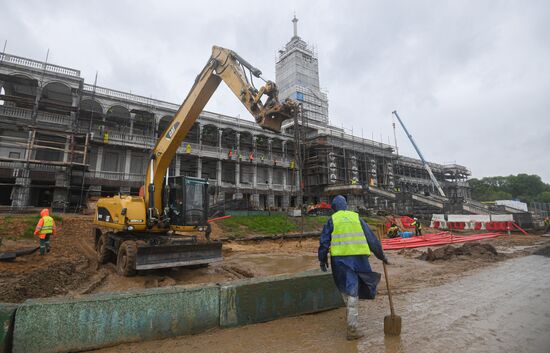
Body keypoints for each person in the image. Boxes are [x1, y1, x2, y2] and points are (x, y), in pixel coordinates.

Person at [318, 195, 389, 340]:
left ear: (334, 208)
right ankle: (352, 327)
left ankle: (351, 322)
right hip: (359, 260)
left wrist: (322, 260)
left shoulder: (332, 220)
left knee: (346, 288)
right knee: (353, 290)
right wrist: (382, 256)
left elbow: (324, 243)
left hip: (340, 261)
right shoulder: (357, 218)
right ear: (346, 205)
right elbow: (372, 240)